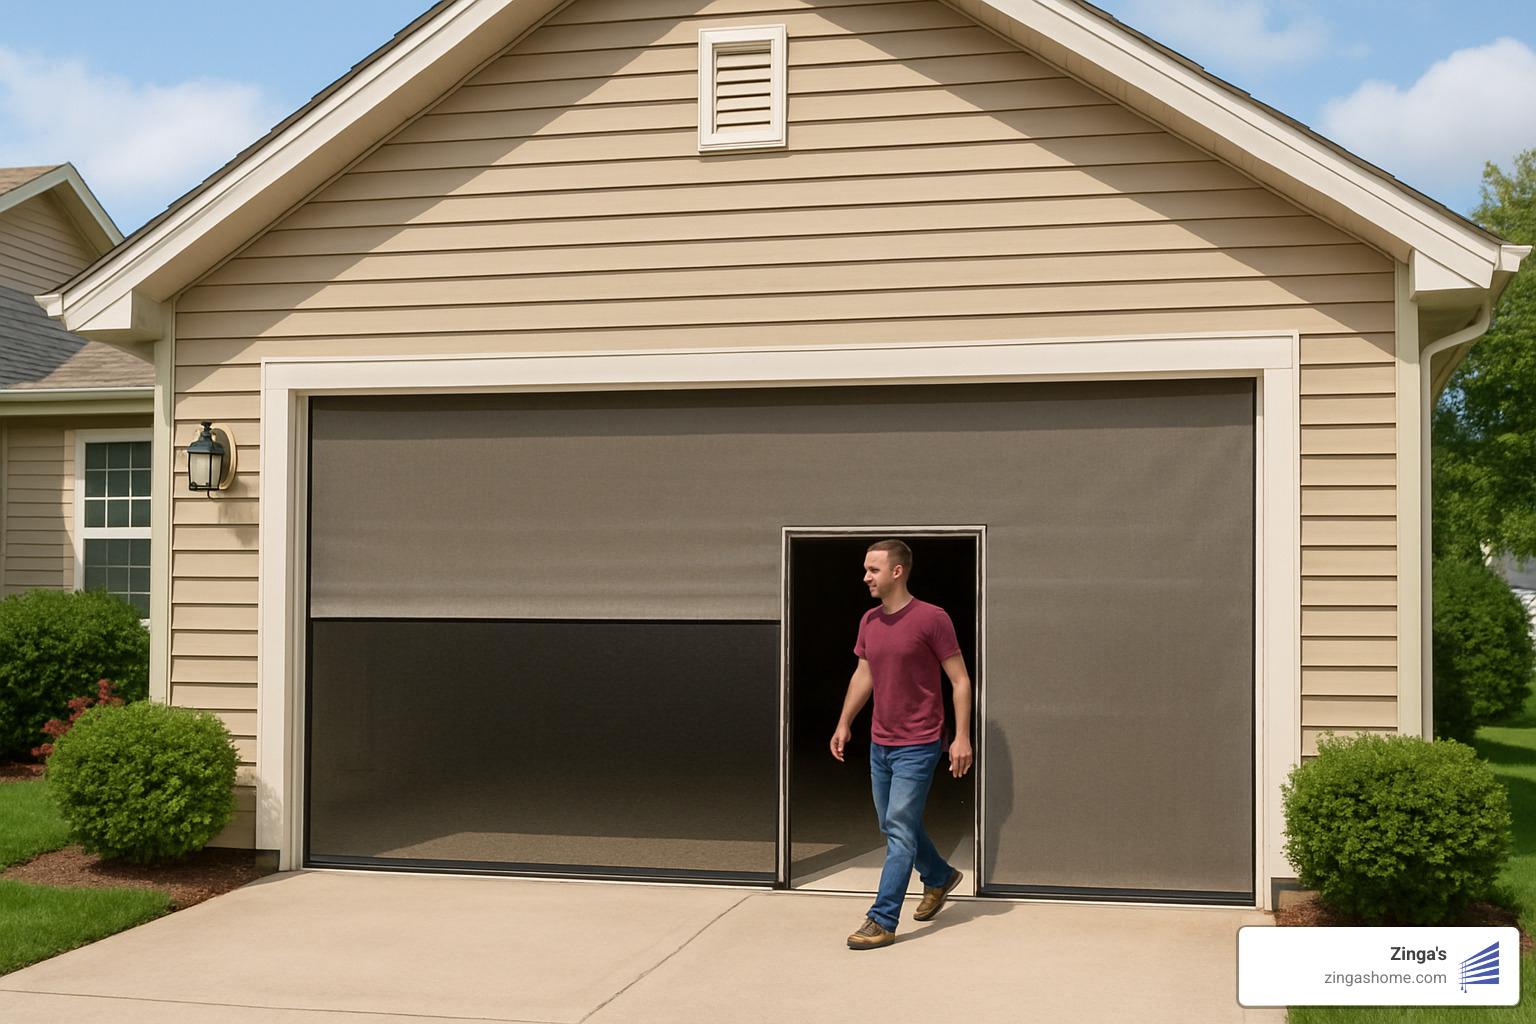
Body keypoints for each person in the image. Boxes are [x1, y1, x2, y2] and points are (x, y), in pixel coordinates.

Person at [831, 538, 973, 950]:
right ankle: (940, 876)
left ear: (897, 571)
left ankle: (882, 918)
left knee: (897, 828)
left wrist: (961, 737)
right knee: (895, 824)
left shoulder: (932, 618)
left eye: (873, 570)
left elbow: (960, 680)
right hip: (880, 742)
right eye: (865, 569)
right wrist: (844, 723)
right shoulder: (869, 621)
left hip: (920, 742)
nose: (865, 577)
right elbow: (864, 675)